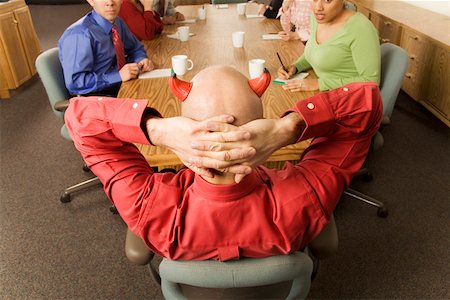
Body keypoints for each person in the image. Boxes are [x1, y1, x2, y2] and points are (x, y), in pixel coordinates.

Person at [64, 65, 382, 261]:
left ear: (185, 132)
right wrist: (289, 128)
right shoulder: (305, 198)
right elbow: (366, 102)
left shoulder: (148, 207)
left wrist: (156, 129)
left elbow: (79, 117)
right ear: (258, 129)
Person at [278, 0, 380, 92]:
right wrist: (296, 66)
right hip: (325, 93)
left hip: (350, 99)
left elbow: (371, 82)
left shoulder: (361, 28)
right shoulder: (317, 18)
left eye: (327, 0)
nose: (318, 7)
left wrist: (320, 84)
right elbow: (315, 51)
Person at [58, 0, 154, 97]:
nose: (110, 2)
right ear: (91, 1)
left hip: (122, 85)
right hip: (95, 98)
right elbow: (76, 83)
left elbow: (135, 48)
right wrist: (118, 76)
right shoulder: (79, 34)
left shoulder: (118, 22)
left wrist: (141, 59)